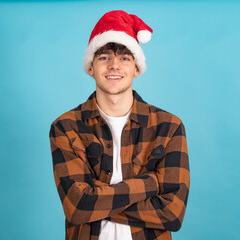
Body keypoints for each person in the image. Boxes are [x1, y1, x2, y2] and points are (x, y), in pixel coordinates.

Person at [49, 10, 190, 240]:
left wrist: (96, 199)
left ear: (136, 68)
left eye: (124, 58)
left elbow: (172, 214)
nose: (114, 65)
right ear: (91, 67)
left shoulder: (169, 127)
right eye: (104, 57)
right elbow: (77, 207)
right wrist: (151, 184)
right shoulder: (66, 127)